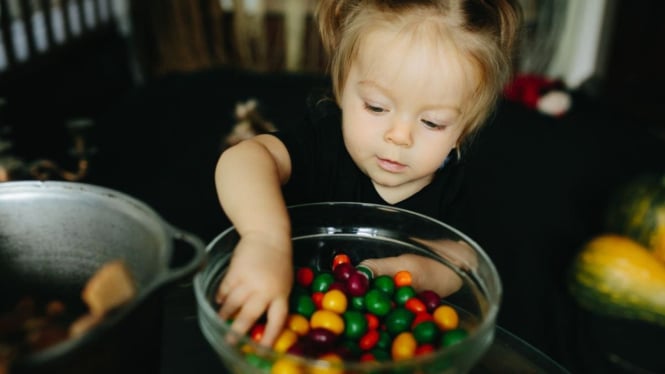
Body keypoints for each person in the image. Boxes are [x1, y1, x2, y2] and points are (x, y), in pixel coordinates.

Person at [214, 0, 522, 347]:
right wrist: (265, 239)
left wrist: (403, 272)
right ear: (342, 88)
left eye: (432, 122)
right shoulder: (321, 143)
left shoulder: (454, 184)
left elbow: (463, 261)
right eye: (376, 106)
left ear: (462, 132)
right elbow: (243, 159)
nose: (399, 136)